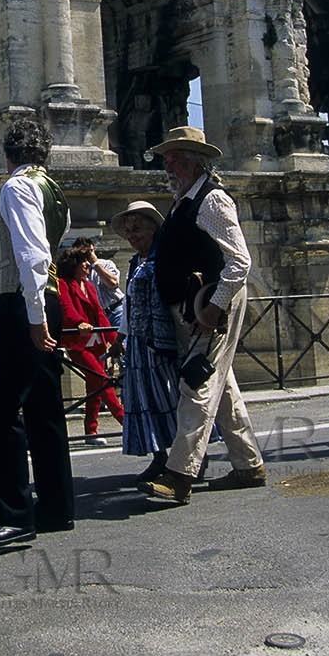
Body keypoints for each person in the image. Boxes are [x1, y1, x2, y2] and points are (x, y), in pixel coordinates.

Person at [138, 127, 267, 505]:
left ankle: (179, 474)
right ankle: (248, 464)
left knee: (197, 383)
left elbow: (240, 260)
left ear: (196, 161)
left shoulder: (212, 201)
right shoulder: (184, 200)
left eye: (175, 157)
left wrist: (214, 307)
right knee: (220, 385)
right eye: (167, 158)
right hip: (193, 305)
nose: (168, 164)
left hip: (208, 305)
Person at [0, 118, 73, 551]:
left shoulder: (14, 187)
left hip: (28, 307)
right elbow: (42, 249)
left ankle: (12, 516)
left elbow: (32, 254)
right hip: (42, 299)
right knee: (45, 407)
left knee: (0, 413)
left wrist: (30, 316)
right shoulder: (55, 190)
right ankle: (55, 506)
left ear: (7, 154)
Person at [110, 200, 182, 486]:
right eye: (128, 231)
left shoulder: (163, 259)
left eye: (137, 228)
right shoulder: (135, 262)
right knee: (146, 401)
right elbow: (130, 305)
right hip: (139, 343)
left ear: (153, 229)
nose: (132, 235)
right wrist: (120, 336)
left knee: (168, 399)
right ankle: (159, 456)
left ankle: (186, 457)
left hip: (159, 342)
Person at [57, 247, 124, 445]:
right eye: (83, 261)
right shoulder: (64, 284)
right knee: (102, 381)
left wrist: (114, 338)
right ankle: (125, 422)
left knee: (94, 386)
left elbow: (100, 314)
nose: (87, 265)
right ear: (73, 265)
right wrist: (78, 323)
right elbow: (66, 309)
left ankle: (90, 431)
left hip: (96, 342)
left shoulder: (89, 285)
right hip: (79, 343)